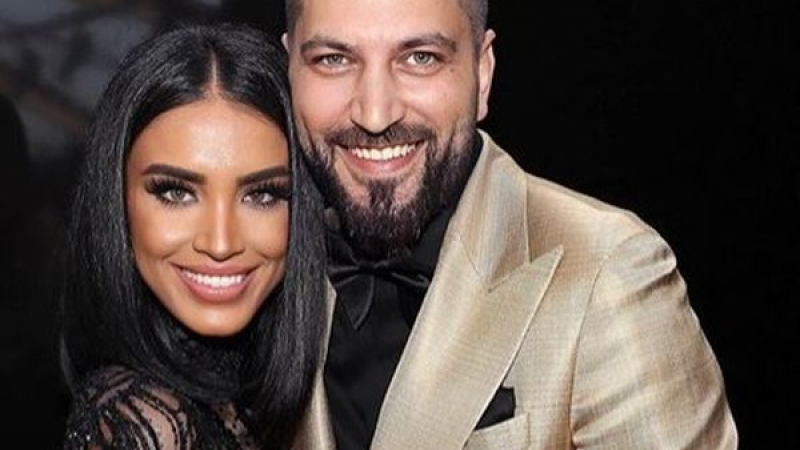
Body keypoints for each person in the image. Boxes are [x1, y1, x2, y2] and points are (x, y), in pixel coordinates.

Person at [281, 0, 738, 449]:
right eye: (333, 60)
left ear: (482, 73)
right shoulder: (264, 265)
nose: (375, 113)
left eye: (420, 58)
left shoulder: (608, 272)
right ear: (289, 73)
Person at [58, 22, 325, 450]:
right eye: (176, 192)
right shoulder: (147, 426)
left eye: (262, 194)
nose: (220, 243)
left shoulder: (271, 390)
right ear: (116, 203)